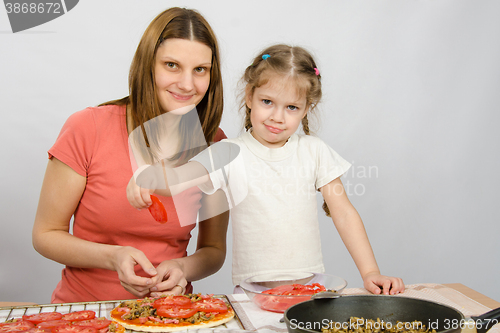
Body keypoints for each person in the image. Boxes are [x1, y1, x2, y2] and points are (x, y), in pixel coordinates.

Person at [129, 44, 406, 295]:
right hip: (251, 293)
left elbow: (343, 212)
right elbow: (179, 178)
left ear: (307, 108)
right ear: (250, 95)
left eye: (292, 107)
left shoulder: (315, 151)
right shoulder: (228, 152)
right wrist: (147, 176)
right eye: (267, 102)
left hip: (310, 288)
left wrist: (370, 272)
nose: (277, 116)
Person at [32, 7, 229, 303]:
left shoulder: (215, 143)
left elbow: (213, 250)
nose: (187, 84)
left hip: (171, 313)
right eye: (172, 65)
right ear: (147, 65)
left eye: (200, 69)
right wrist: (113, 257)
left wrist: (182, 267)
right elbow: (46, 234)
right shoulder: (88, 128)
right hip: (86, 313)